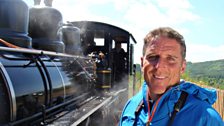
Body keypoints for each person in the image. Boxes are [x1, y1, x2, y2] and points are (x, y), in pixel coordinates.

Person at [119, 27, 223, 126]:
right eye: (152, 57)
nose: (159, 67)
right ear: (142, 63)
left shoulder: (206, 118)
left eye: (171, 59)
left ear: (182, 66)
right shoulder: (131, 106)